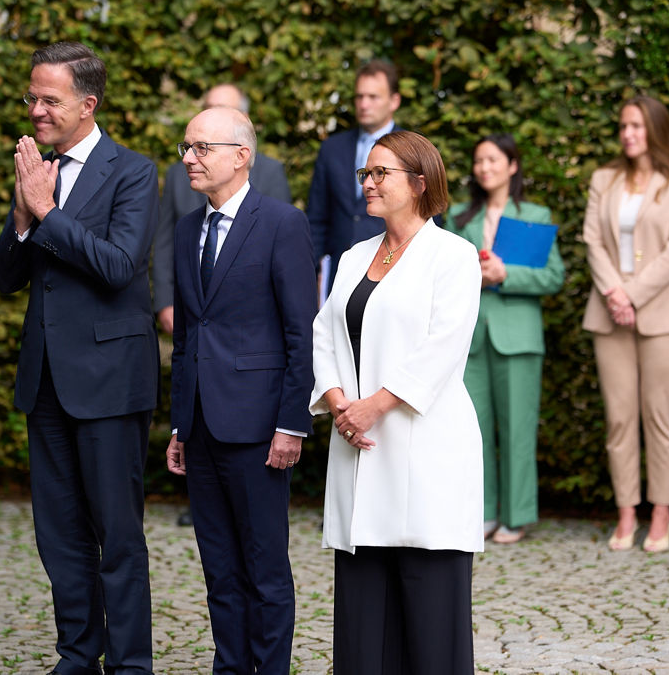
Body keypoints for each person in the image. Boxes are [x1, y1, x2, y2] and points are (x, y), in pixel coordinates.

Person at [0, 42, 159, 675]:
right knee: (59, 535)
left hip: (111, 381)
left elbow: (119, 267)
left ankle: (132, 663)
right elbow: (6, 277)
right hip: (46, 382)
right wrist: (22, 214)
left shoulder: (133, 172)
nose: (35, 109)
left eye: (49, 99)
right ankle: (75, 653)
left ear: (87, 105)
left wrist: (47, 211)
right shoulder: (38, 170)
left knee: (117, 533)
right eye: (31, 97)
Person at [310, 130, 484, 675]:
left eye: (381, 172)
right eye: (366, 173)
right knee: (363, 620)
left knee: (431, 619)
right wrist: (341, 404)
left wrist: (374, 406)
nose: (369, 182)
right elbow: (325, 334)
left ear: (420, 182)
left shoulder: (452, 256)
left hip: (424, 448)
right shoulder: (355, 255)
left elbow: (444, 346)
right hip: (358, 446)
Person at [165, 106, 315, 675]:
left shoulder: (282, 222)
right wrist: (181, 422)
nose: (189, 158)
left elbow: (302, 331)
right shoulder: (185, 228)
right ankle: (229, 667)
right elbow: (187, 336)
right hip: (202, 424)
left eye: (202, 147)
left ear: (241, 155)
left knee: (264, 566)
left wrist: (291, 423)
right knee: (219, 566)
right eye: (186, 147)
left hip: (259, 426)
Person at [581, 96, 669, 553]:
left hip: (666, 314)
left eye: (637, 125)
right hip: (609, 312)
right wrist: (615, 292)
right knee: (619, 418)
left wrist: (631, 294)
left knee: (660, 416)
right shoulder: (604, 179)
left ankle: (661, 513)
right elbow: (593, 240)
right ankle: (626, 512)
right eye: (624, 125)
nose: (628, 133)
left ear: (656, 129)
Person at [445, 133, 564, 545]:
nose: (485, 168)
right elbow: (443, 275)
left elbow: (554, 276)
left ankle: (517, 515)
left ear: (512, 165)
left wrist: (506, 275)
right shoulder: (458, 217)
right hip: (471, 336)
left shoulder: (534, 212)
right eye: (479, 161)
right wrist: (475, 276)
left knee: (517, 430)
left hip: (520, 336)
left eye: (493, 160)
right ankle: (480, 512)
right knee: (472, 430)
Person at [153, 83, 291, 336]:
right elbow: (164, 243)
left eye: (222, 109)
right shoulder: (178, 175)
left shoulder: (271, 174)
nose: (189, 159)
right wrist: (165, 302)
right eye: (208, 108)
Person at [306, 59, 402, 297]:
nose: (364, 104)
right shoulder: (332, 149)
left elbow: (426, 216)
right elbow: (317, 217)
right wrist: (310, 266)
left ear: (394, 101)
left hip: (393, 272)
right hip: (338, 272)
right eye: (359, 97)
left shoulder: (410, 150)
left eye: (373, 97)